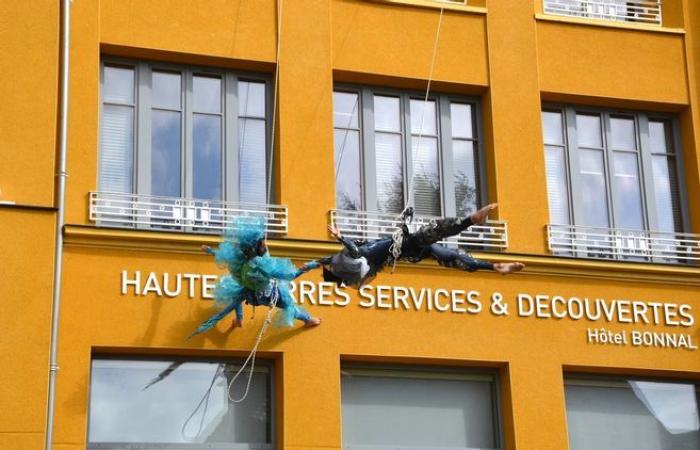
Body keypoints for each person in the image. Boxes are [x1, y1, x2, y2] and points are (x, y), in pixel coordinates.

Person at [316, 204, 524, 288]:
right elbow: (353, 249)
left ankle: (494, 267)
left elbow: (330, 259)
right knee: (435, 231)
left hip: (412, 252)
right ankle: (470, 220)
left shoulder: (365, 266)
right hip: (407, 245)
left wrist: (311, 265)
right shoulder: (364, 255)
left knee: (451, 257)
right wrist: (340, 237)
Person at [189, 216, 321, 338]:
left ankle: (239, 319)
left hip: (251, 295)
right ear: (257, 247)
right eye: (262, 243)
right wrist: (307, 267)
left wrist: (210, 251)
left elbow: (225, 257)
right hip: (268, 295)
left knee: (236, 296)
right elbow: (289, 276)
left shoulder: (241, 261)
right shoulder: (261, 264)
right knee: (289, 307)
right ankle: (308, 319)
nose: (264, 245)